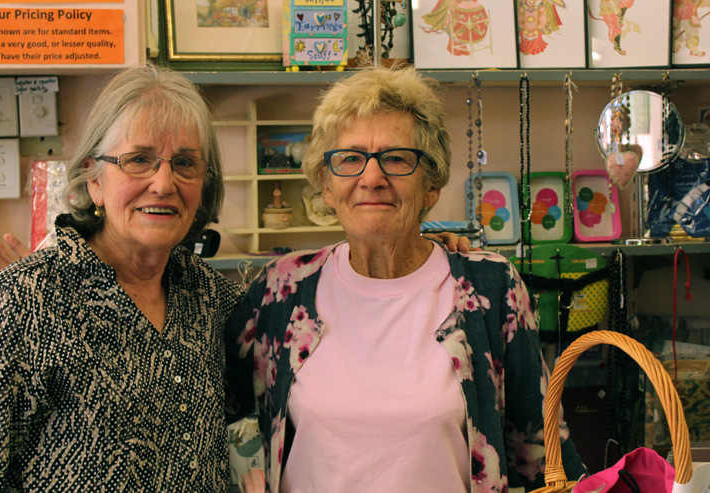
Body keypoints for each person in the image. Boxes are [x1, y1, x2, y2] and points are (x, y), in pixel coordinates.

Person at [224, 66, 586, 493]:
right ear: (325, 183)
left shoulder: (491, 287)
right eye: (350, 159)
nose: (372, 178)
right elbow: (209, 405)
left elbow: (540, 451)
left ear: (430, 186)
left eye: (396, 158)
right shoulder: (279, 289)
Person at [0, 63, 245, 491]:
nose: (163, 183)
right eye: (139, 160)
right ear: (94, 180)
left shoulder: (215, 301)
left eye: (184, 163)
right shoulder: (20, 304)